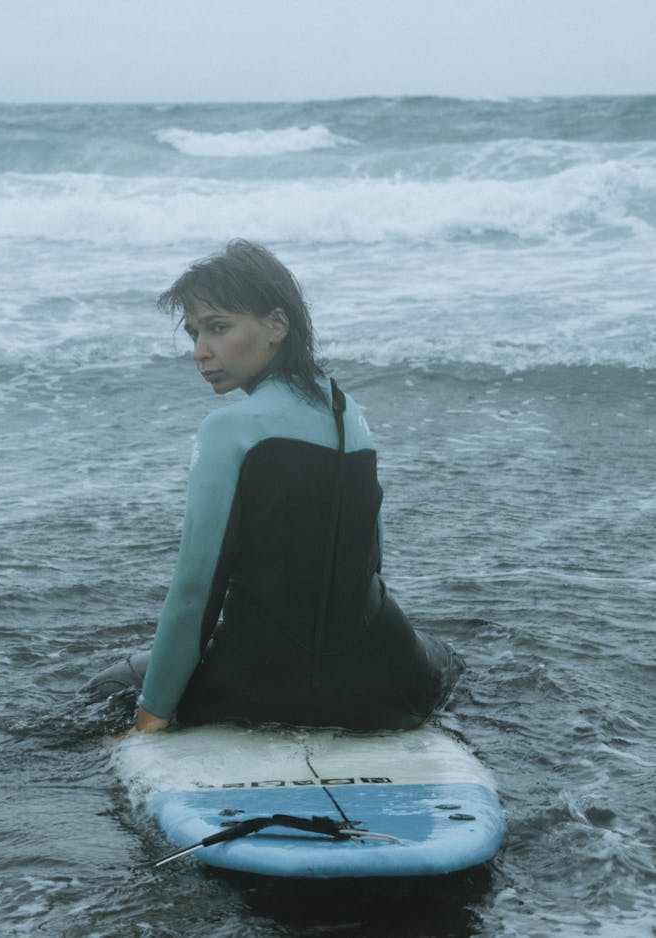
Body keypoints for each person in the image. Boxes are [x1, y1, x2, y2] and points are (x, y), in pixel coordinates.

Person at [131, 239, 464, 734]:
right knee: (447, 656)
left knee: (118, 678)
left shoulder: (228, 430)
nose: (200, 351)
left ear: (276, 325)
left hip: (257, 687)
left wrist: (150, 718)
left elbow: (195, 591)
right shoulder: (352, 414)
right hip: (388, 686)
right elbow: (372, 561)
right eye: (195, 333)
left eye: (218, 328)